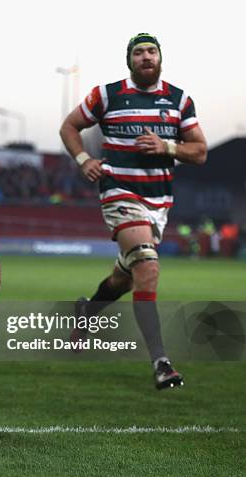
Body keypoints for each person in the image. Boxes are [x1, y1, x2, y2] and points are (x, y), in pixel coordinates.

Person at [59, 33, 207, 389]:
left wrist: (166, 145)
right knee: (147, 265)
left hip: (158, 204)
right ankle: (161, 362)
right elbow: (69, 127)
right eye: (138, 52)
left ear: (160, 58)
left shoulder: (179, 100)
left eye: (151, 51)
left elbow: (200, 151)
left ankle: (86, 312)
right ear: (129, 60)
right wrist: (83, 159)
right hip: (119, 194)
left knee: (125, 277)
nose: (145, 57)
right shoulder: (107, 95)